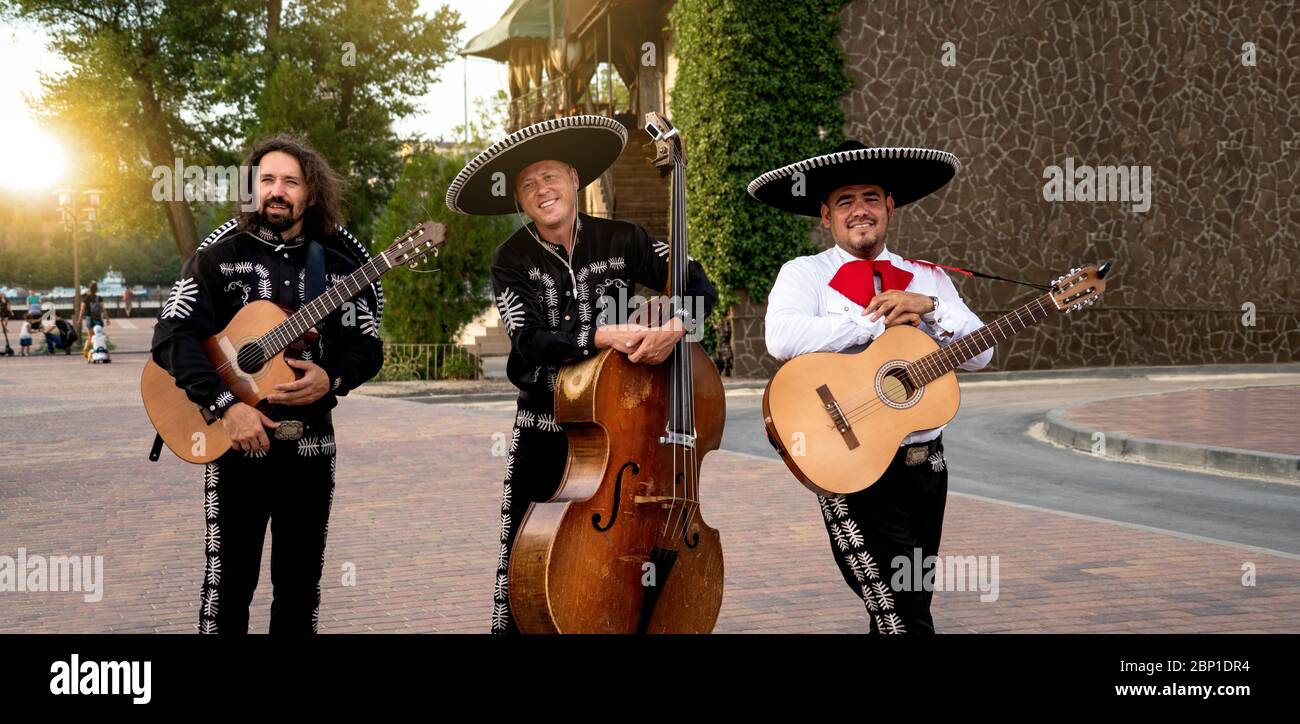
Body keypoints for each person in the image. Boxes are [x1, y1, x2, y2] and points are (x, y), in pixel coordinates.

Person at [445, 115, 719, 633]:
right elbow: (528, 342)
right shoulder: (511, 259)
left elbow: (699, 284)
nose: (541, 190)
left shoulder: (624, 239)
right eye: (528, 185)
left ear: (574, 178)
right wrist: (600, 335)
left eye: (550, 176)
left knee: (616, 564)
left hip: (625, 440)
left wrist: (678, 326)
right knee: (524, 572)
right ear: (520, 200)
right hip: (545, 434)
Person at [751, 139, 993, 634]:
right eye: (845, 201)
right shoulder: (805, 274)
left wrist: (931, 307)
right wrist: (872, 325)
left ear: (889, 207)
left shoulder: (928, 278)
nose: (859, 210)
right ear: (826, 216)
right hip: (851, 462)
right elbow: (782, 337)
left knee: (906, 604)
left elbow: (982, 355)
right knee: (901, 617)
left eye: (870, 198)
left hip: (926, 465)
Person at [150, 133, 389, 634]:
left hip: (310, 448)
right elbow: (173, 336)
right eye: (266, 180)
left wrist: (333, 377)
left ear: (311, 193)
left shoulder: (343, 266)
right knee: (228, 587)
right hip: (236, 447)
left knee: (300, 589)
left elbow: (366, 349)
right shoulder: (218, 256)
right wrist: (224, 405)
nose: (276, 190)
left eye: (290, 181)